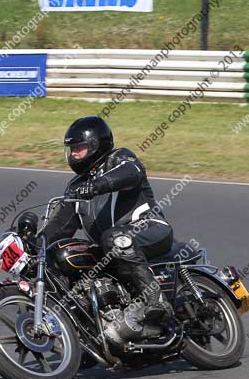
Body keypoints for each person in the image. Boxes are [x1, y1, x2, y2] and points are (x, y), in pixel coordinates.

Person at [41, 116, 173, 328]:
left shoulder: (119, 158)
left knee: (113, 238)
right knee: (61, 255)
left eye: (79, 148)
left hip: (151, 230)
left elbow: (131, 173)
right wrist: (34, 246)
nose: (74, 155)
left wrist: (97, 185)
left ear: (96, 145)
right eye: (72, 150)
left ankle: (156, 300)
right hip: (110, 249)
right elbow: (60, 226)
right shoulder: (76, 186)